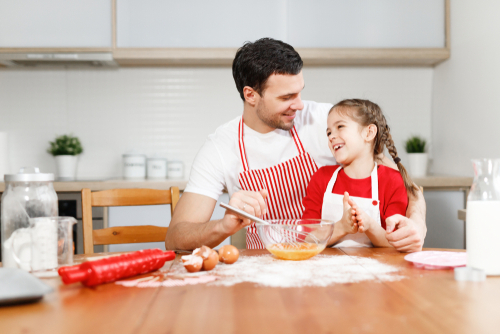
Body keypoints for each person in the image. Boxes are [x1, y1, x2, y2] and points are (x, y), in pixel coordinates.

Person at [165, 38, 426, 252]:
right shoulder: (221, 147)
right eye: (287, 97)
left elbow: (399, 180)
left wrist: (417, 223)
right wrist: (223, 226)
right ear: (251, 95)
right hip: (265, 272)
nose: (300, 104)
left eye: (300, 91)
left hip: (328, 269)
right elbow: (175, 237)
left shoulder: (327, 120)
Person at [302, 99, 418, 247]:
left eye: (340, 126)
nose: (331, 136)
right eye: (329, 132)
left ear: (369, 133)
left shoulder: (392, 181)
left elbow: (395, 243)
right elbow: (307, 238)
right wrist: (341, 227)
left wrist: (369, 225)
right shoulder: (322, 178)